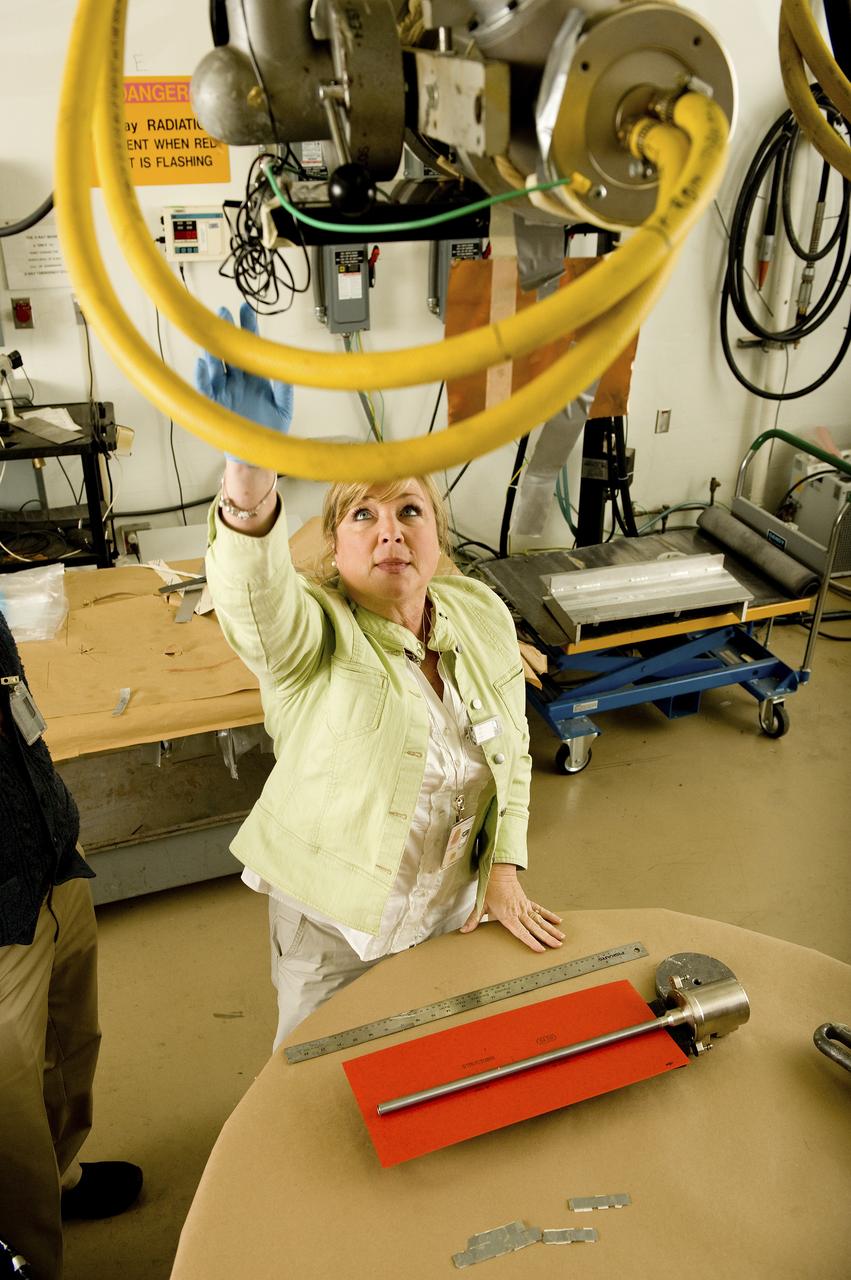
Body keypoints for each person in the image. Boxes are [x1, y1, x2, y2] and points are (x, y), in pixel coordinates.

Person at [199, 305, 564, 1051]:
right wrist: (247, 475)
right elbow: (257, 605)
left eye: (408, 509)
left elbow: (513, 758)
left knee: (427, 1061)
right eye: (361, 514)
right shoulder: (313, 634)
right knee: (314, 1082)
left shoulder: (481, 612)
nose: (389, 528)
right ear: (334, 546)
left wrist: (502, 868)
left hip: (447, 908)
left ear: (436, 531)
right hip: (334, 924)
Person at [0, 608, 142, 1280]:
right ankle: (29, 1255)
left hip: (48, 857)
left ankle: (61, 1175)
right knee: (6, 1115)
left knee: (70, 1041)